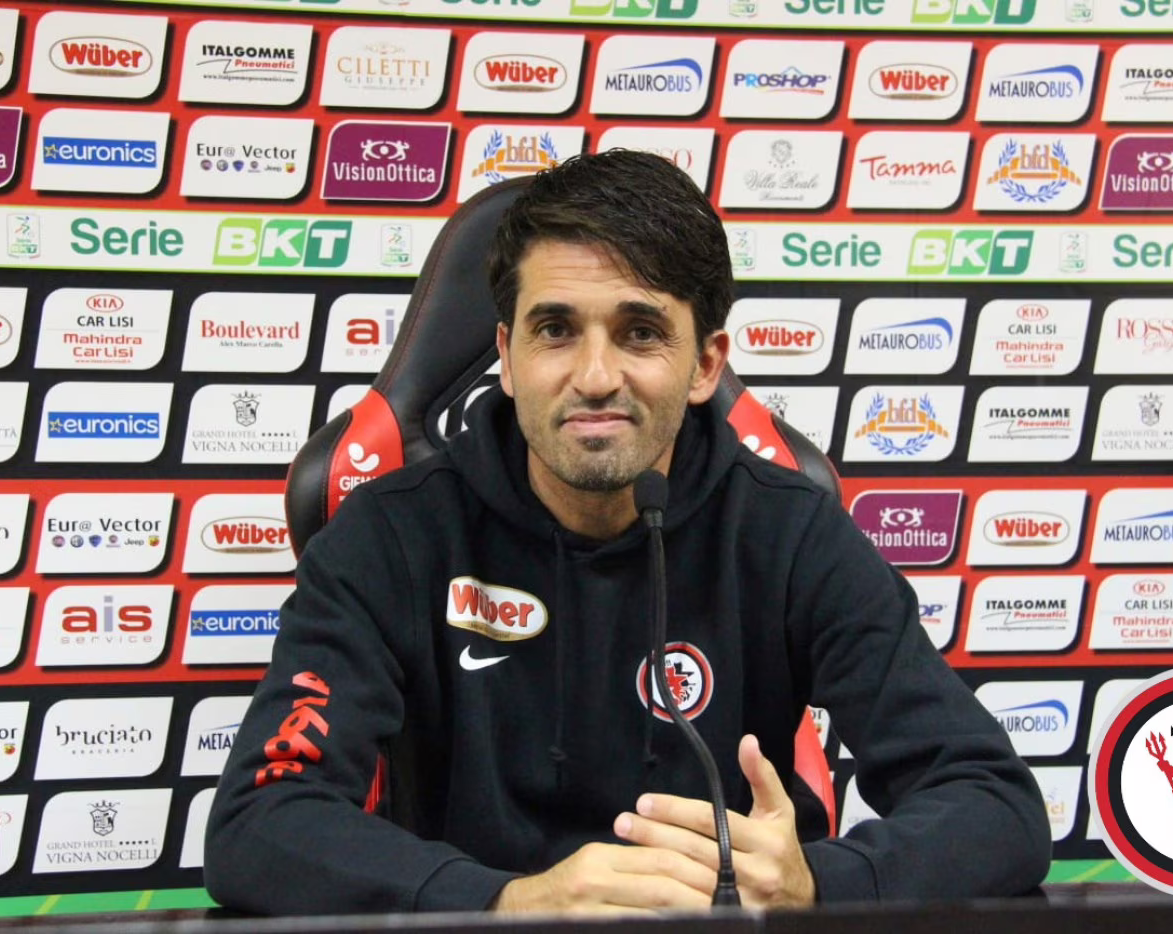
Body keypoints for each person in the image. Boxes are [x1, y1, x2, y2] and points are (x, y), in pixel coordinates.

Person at [204, 150, 1051, 916]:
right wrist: (504, 903)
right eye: (555, 330)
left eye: (640, 332)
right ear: (507, 354)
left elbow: (995, 804)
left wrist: (819, 883)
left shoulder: (790, 533)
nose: (596, 376)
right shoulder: (389, 536)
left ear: (705, 363)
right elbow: (259, 822)